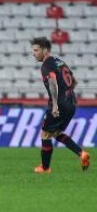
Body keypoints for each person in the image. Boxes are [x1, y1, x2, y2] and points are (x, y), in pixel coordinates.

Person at [30, 37, 90, 173]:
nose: (33, 53)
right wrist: (68, 95)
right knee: (56, 133)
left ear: (45, 50)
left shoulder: (46, 65)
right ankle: (82, 154)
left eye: (36, 50)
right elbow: (74, 81)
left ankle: (45, 168)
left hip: (60, 104)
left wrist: (55, 105)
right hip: (71, 102)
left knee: (45, 134)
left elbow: (52, 83)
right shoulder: (60, 61)